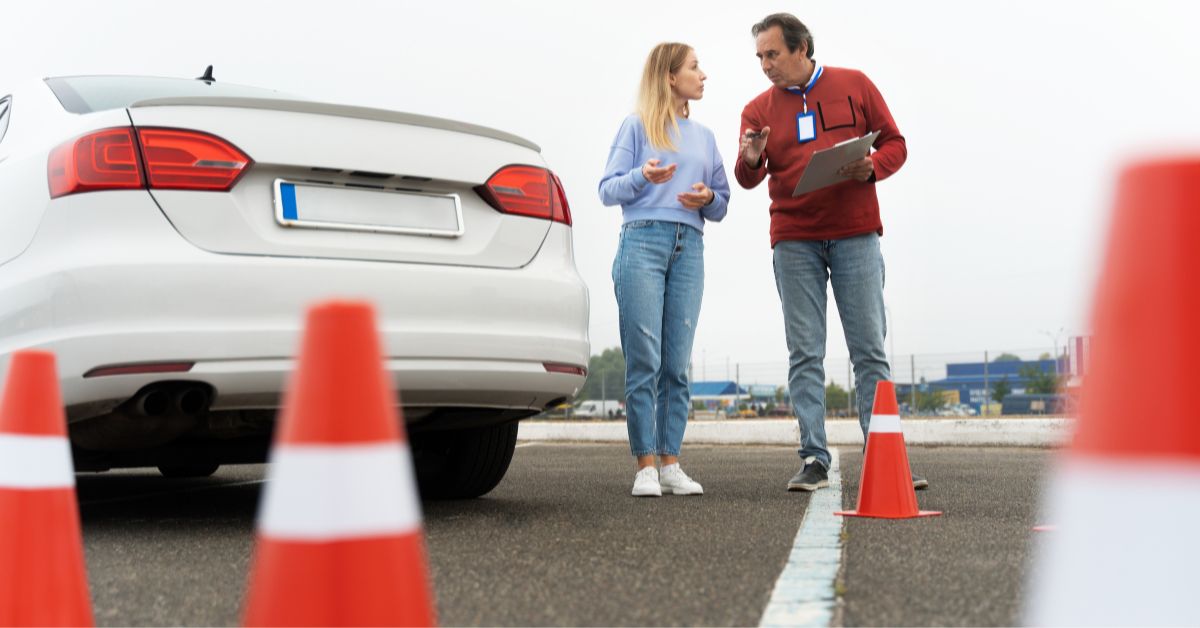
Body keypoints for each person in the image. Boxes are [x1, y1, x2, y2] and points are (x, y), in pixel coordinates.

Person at [734, 13, 927, 492]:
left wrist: (872, 167)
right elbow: (746, 177)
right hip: (794, 240)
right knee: (805, 354)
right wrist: (751, 158)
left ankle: (886, 456)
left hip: (856, 235)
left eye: (772, 54)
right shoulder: (757, 109)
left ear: (802, 48)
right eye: (759, 56)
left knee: (870, 352)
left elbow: (896, 144)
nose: (765, 65)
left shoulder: (855, 84)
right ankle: (814, 459)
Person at [599, 42, 730, 497]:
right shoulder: (636, 127)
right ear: (670, 77)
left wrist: (707, 199)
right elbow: (606, 189)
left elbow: (722, 202)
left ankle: (672, 461)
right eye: (695, 67)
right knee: (645, 361)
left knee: (676, 365)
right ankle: (645, 466)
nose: (703, 74)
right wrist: (642, 177)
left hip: (689, 245)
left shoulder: (706, 137)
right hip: (642, 242)